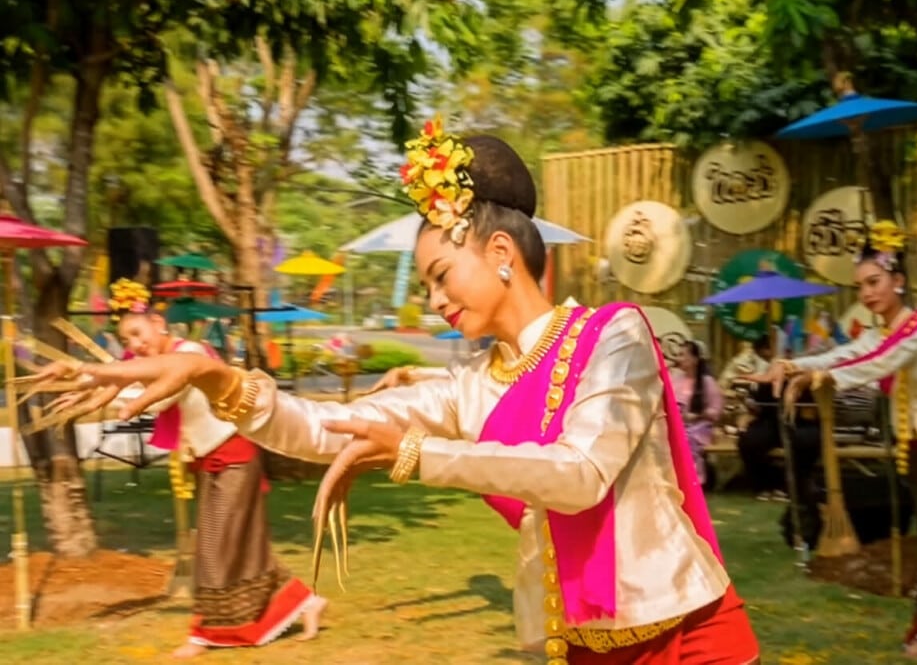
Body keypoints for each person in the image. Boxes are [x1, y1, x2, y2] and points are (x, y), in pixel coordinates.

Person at [46, 119, 760, 664]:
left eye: (440, 276)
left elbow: (580, 474)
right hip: (585, 643)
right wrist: (218, 377)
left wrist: (421, 455)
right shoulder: (471, 386)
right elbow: (325, 426)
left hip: (692, 633)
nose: (433, 300)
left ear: (502, 255)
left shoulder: (615, 335)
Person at [747, 221, 917, 660]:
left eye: (875, 282)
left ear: (898, 281)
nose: (868, 293)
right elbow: (848, 353)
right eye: (861, 286)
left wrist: (821, 375)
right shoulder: (878, 333)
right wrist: (791, 364)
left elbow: (879, 363)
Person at [73, 279, 326, 658]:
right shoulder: (160, 364)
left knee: (212, 547)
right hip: (215, 461)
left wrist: (110, 382)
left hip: (235, 456)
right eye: (127, 341)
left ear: (158, 324)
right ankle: (304, 602)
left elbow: (161, 401)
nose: (135, 345)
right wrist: (107, 382)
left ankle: (204, 633)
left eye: (138, 333)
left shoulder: (188, 352)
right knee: (240, 545)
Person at [668, 340, 722, 486]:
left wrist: (698, 416)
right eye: (678, 355)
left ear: (695, 359)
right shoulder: (674, 380)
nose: (679, 359)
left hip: (699, 427)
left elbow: (715, 410)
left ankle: (694, 481)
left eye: (683, 355)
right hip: (678, 424)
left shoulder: (707, 382)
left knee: (686, 438)